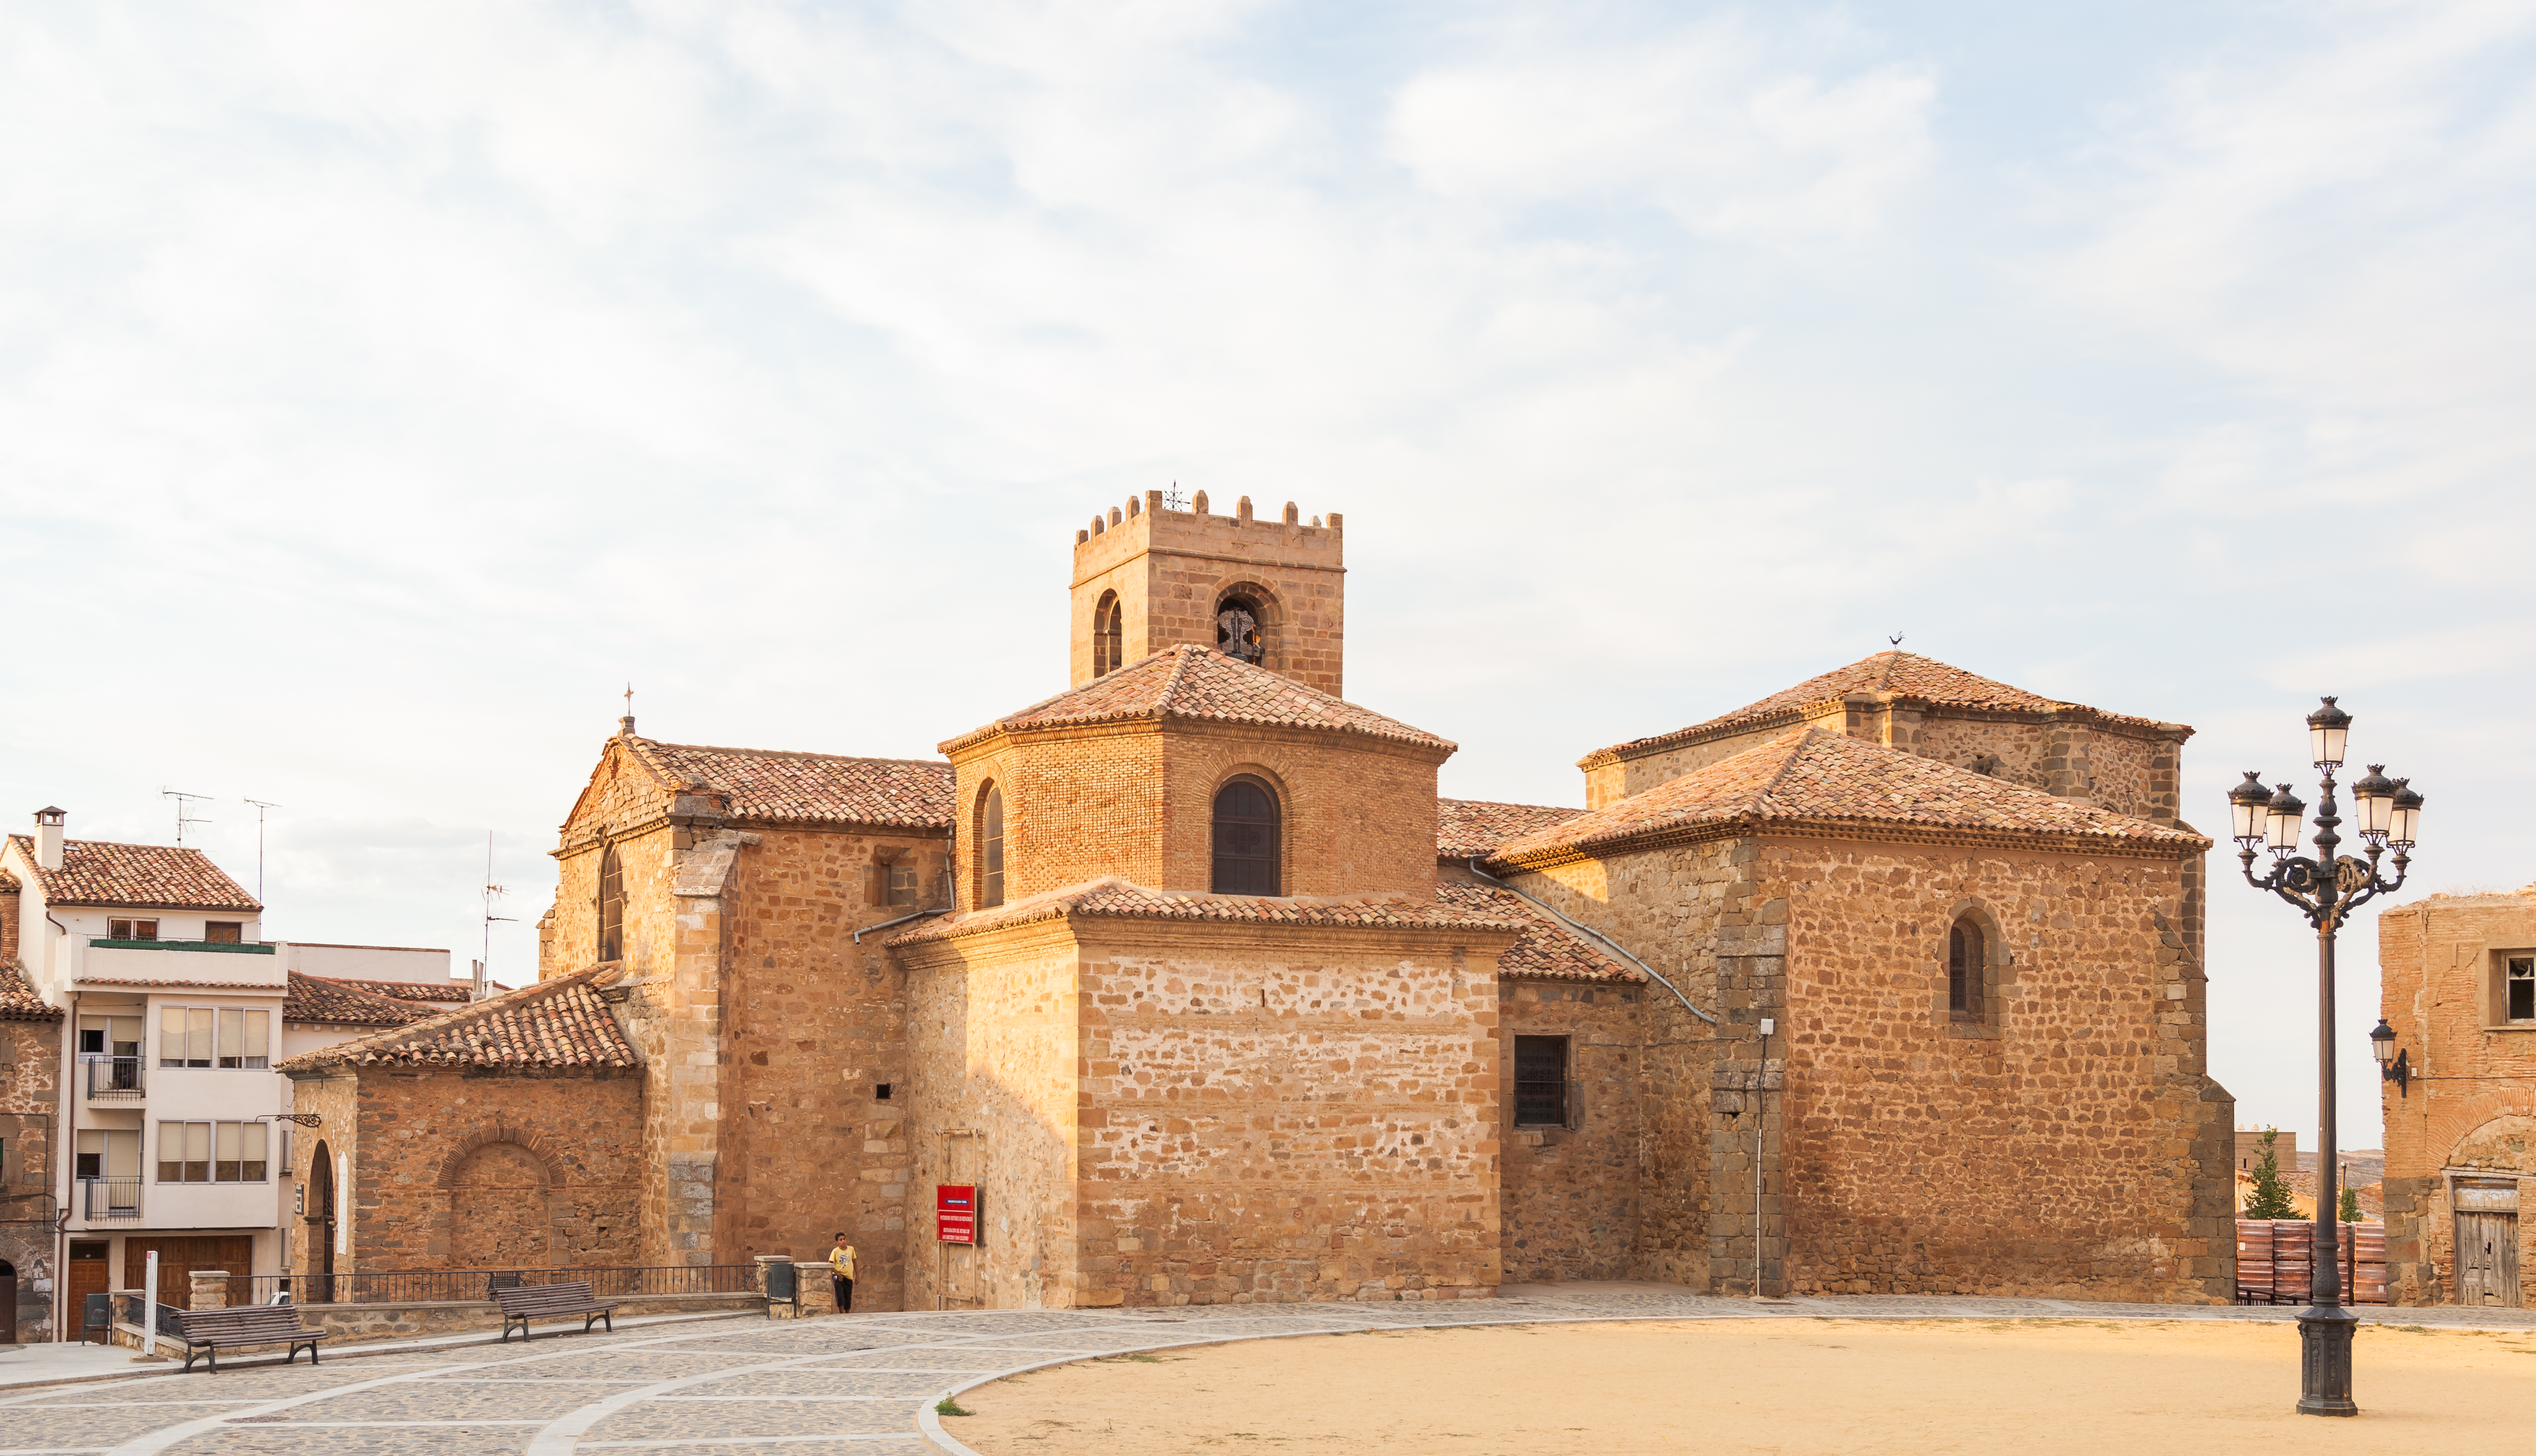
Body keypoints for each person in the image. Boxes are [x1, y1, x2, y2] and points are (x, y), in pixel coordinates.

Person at [828, 1232, 856, 1313]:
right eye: (841, 1240)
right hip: (838, 1277)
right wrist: (837, 1273)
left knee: (848, 1296)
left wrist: (857, 1275)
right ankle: (842, 1313)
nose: (843, 1241)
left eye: (844, 1239)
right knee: (840, 1295)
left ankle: (847, 1313)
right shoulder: (836, 1251)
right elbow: (830, 1264)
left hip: (849, 1277)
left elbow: (855, 1262)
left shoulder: (851, 1249)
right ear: (837, 1242)